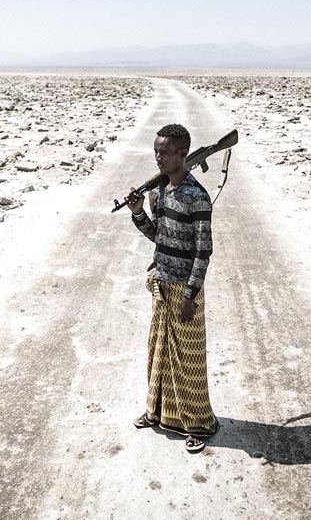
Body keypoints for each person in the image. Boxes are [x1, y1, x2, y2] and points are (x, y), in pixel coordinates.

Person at [125, 123, 219, 453]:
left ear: (183, 154)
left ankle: (199, 425)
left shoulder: (198, 197)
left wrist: (191, 295)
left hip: (185, 290)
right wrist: (138, 214)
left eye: (164, 152)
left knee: (188, 363)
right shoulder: (158, 192)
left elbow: (202, 251)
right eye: (155, 152)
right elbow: (159, 237)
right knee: (159, 354)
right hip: (162, 284)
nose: (158, 158)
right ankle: (158, 412)